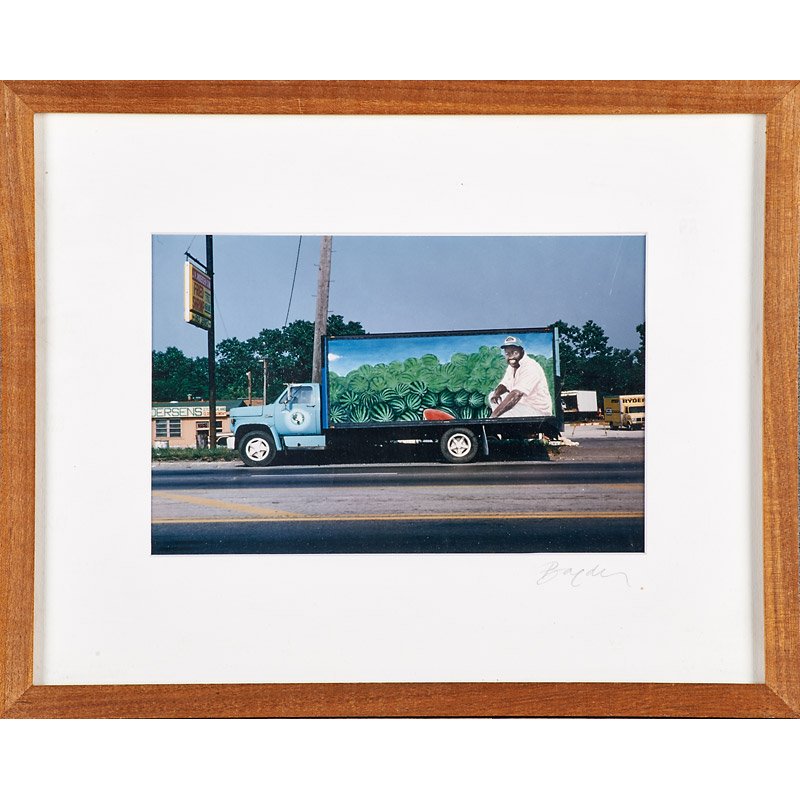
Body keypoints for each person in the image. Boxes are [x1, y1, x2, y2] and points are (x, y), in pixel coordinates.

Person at [489, 336, 553, 418]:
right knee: (492, 396)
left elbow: (516, 394)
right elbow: (504, 384)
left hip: (538, 411)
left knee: (503, 409)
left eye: (515, 353)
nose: (511, 357)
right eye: (507, 354)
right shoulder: (512, 366)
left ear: (522, 351)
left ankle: (499, 421)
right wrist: (496, 394)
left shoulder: (530, 367)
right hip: (524, 406)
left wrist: (493, 416)